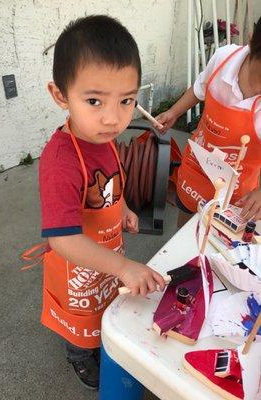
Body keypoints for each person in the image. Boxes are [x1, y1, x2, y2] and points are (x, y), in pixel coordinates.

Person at [39, 15, 165, 390]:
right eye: (94, 100)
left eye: (126, 100)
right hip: (77, 264)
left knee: (105, 306)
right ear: (60, 95)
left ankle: (100, 338)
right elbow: (62, 239)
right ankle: (80, 354)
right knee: (81, 321)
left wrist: (123, 207)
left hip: (107, 251)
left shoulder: (103, 137)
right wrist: (123, 266)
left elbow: (112, 182)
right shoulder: (61, 160)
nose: (113, 118)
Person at [156, 17, 261, 227]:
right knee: (186, 223)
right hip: (197, 165)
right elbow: (200, 88)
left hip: (237, 186)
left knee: (218, 237)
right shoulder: (224, 58)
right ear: (250, 42)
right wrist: (174, 111)